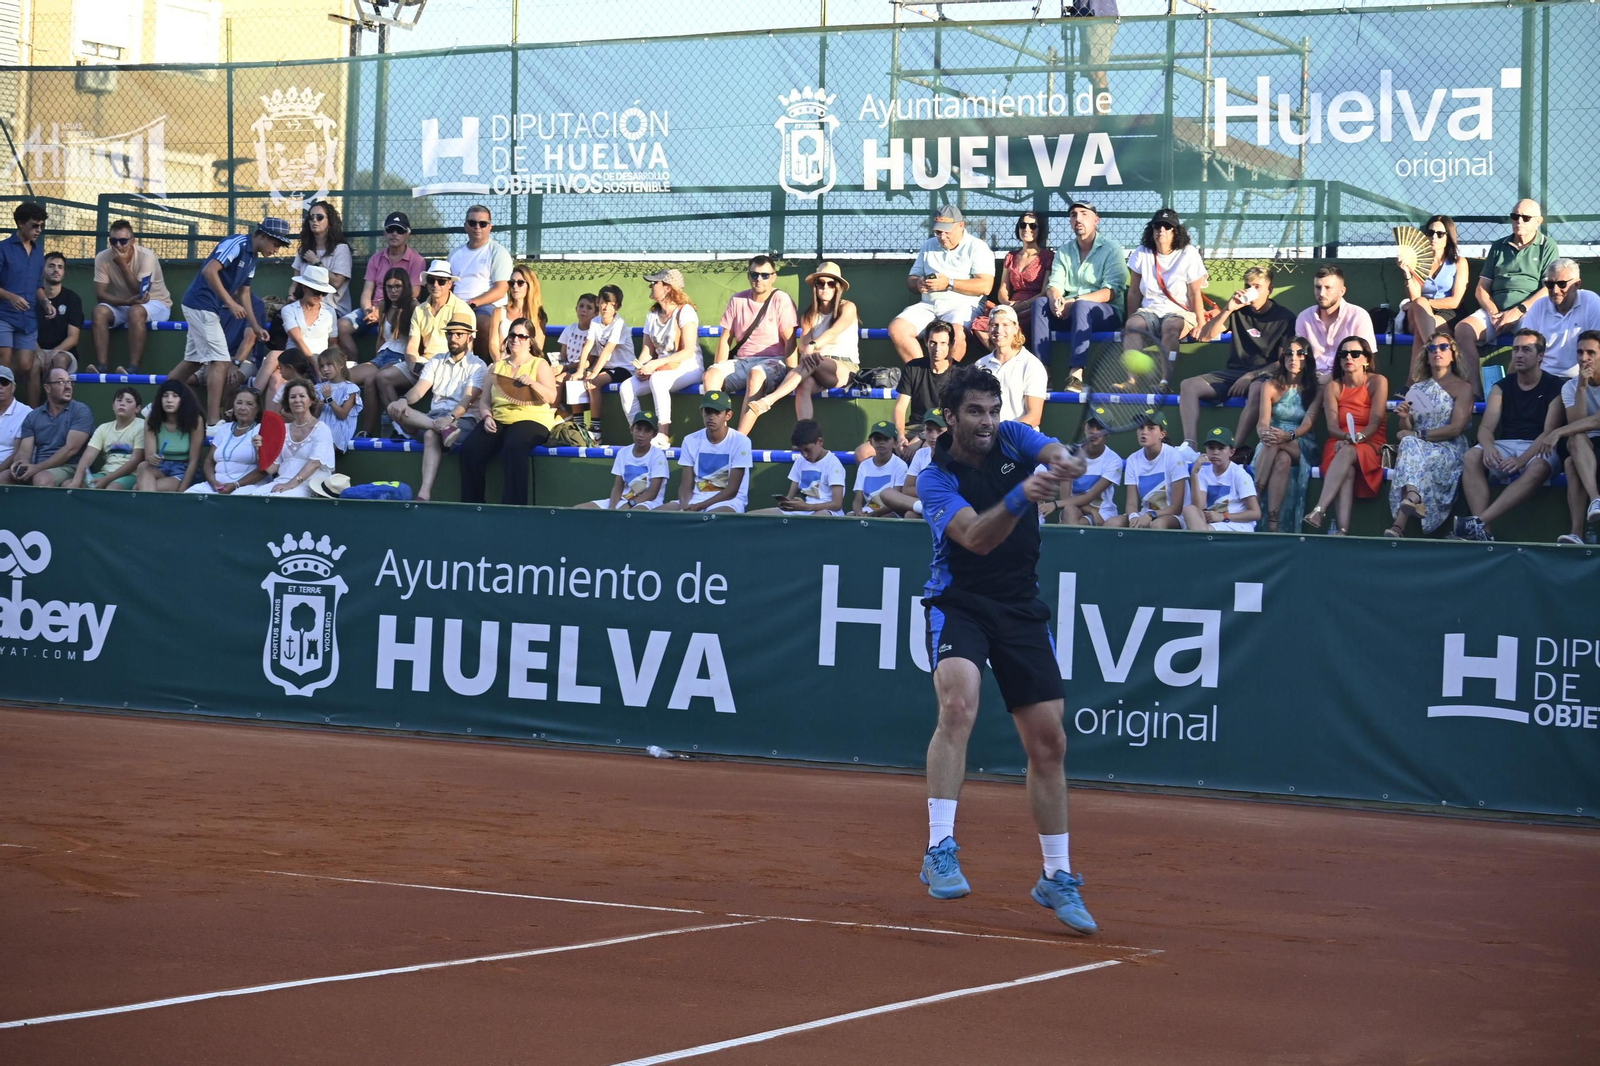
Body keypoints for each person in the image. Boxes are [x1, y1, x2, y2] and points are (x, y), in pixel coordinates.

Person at [913, 365, 1096, 934]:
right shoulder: (934, 478)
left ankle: (1056, 875)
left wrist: (1066, 461)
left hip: (1019, 605)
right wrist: (1022, 496)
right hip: (959, 602)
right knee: (958, 704)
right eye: (975, 411)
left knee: (1049, 742)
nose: (987, 421)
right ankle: (939, 848)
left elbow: (1055, 453)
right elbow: (975, 538)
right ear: (950, 417)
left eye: (993, 410)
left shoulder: (1014, 436)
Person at [171, 218, 290, 427]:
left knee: (194, 360)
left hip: (206, 307)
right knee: (221, 361)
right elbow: (209, 271)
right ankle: (213, 421)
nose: (276, 250)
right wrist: (230, 303)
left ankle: (158, 401)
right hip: (201, 304)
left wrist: (255, 326)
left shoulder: (253, 258)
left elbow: (244, 293)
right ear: (262, 236)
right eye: (276, 244)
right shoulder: (236, 243)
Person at [1452, 329, 1566, 541]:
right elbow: (1486, 428)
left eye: (1526, 350)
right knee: (1471, 456)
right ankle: (1485, 532)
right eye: (1516, 349)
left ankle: (1479, 521)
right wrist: (1488, 448)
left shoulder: (1556, 386)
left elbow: (1548, 431)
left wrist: (1521, 460)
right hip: (1505, 443)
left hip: (1540, 445)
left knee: (1538, 467)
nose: (1519, 354)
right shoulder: (1501, 387)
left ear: (1540, 356)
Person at [1184, 264, 1296, 459]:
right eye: (1247, 286)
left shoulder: (1285, 318)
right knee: (1188, 385)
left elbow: (1282, 362)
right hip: (1234, 373)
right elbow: (1205, 336)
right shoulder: (1238, 311)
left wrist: (1250, 376)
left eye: (1257, 286)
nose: (1251, 290)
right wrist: (1227, 309)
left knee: (1258, 389)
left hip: (1265, 375)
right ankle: (1190, 447)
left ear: (1269, 290)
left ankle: (1233, 449)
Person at [1456, 199, 1559, 392]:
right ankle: (1476, 393)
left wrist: (1518, 311)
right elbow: (1481, 288)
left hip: (1528, 312)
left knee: (1528, 342)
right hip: (1495, 312)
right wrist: (1494, 312)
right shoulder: (1498, 246)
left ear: (1539, 221)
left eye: (1526, 217)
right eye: (1515, 216)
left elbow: (1547, 288)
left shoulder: (1548, 246)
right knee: (1463, 330)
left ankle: (1509, 394)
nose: (1519, 221)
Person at [387, 311, 487, 503]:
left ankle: (424, 494)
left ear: (469, 337)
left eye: (459, 334)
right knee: (395, 407)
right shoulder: (436, 360)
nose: (453, 338)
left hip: (462, 420)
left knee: (430, 435)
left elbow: (466, 401)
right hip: (433, 418)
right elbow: (419, 390)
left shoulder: (478, 366)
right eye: (450, 334)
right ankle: (441, 429)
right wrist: (404, 400)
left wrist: (450, 418)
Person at [459, 316, 558, 507]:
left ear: (530, 341)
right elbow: (485, 402)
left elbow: (551, 396)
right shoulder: (497, 367)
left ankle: (514, 508)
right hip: (499, 418)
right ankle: (473, 506)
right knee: (470, 449)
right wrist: (487, 417)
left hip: (532, 419)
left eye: (521, 336)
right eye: (512, 335)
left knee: (513, 446)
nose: (515, 339)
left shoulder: (539, 364)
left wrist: (533, 383)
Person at [747, 261, 859, 428]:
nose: (825, 287)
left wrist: (812, 346)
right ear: (815, 287)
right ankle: (805, 432)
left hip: (844, 368)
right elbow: (804, 345)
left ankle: (769, 400)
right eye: (820, 283)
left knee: (814, 360)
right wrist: (808, 349)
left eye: (830, 284)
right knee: (803, 385)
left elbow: (833, 332)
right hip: (815, 366)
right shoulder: (808, 315)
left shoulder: (848, 307)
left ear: (837, 288)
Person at [1385, 330, 1473, 538]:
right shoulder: (1418, 388)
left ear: (1453, 354)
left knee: (1410, 444)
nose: (1437, 352)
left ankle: (1399, 523)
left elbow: (1456, 428)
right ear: (1426, 356)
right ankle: (1412, 498)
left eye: (1443, 347)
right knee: (1409, 444)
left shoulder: (1463, 388)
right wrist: (1405, 417)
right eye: (1432, 348)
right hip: (1419, 445)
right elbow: (1406, 426)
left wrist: (1417, 434)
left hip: (1449, 446)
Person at [888, 205, 994, 366]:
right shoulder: (929, 245)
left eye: (947, 231)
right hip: (928, 305)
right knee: (897, 328)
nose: (942, 236)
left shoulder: (977, 246)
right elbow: (911, 280)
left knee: (956, 335)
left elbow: (985, 286)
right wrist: (918, 283)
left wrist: (949, 283)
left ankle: (945, 379)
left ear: (961, 225)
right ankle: (921, 375)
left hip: (963, 305)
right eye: (938, 232)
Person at [704, 254, 798, 434]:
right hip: (742, 361)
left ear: (774, 277)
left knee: (755, 374)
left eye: (765, 275)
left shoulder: (781, 299)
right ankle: (719, 434)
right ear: (748, 276)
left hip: (773, 361)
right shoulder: (737, 300)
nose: (759, 279)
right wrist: (719, 367)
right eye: (754, 275)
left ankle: (739, 439)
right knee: (711, 375)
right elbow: (725, 339)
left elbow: (790, 340)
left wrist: (791, 374)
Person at [1306, 338, 1388, 535]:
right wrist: (1346, 437)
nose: (1348, 358)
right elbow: (1332, 426)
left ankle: (1319, 509)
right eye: (1343, 354)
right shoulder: (1333, 387)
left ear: (1366, 360)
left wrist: (1356, 438)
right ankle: (1343, 530)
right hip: (1339, 440)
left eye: (1355, 354)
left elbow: (1375, 423)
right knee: (1347, 470)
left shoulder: (1378, 381)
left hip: (1371, 440)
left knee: (1348, 450)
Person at [1034, 200, 1126, 371]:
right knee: (1040, 304)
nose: (1078, 219)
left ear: (1096, 220)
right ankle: (1042, 371)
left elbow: (1110, 292)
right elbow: (1054, 284)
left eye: (1084, 214)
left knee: (1082, 306)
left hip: (1105, 313)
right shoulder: (1064, 250)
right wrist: (1055, 299)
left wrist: (1075, 301)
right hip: (1069, 311)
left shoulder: (1112, 249)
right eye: (1073, 215)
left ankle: (1076, 372)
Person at [620, 269, 701, 447]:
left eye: (654, 283)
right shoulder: (652, 315)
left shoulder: (685, 311)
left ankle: (662, 435)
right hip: (660, 368)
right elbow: (647, 351)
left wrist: (656, 364)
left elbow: (688, 351)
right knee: (626, 387)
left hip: (688, 367)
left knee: (658, 379)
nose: (650, 286)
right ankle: (639, 433)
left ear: (667, 288)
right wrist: (640, 367)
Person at [1249, 338, 1319, 532]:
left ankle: (1255, 496)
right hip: (1272, 438)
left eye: (1300, 354)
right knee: (1282, 460)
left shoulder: (1316, 388)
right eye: (1289, 353)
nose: (1293, 358)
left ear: (1307, 359)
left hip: (1300, 440)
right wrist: (1264, 433)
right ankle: (1273, 520)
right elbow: (1263, 421)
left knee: (1276, 444)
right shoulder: (1270, 385)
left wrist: (1288, 435)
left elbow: (1308, 423)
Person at [338, 210, 424, 361]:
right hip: (373, 309)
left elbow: (414, 292)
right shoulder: (376, 259)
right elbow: (367, 291)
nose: (394, 234)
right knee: (341, 325)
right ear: (385, 233)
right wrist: (369, 311)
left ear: (408, 234)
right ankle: (355, 364)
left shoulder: (417, 260)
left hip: (399, 309)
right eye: (390, 229)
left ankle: (392, 365)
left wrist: (383, 311)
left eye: (400, 230)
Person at [88, 219, 172, 374]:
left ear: (132, 241)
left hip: (156, 303)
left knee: (136, 311)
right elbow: (100, 295)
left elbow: (139, 292)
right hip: (127, 303)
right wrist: (125, 302)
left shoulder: (147, 256)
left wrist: (122, 265)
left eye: (123, 241)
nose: (118, 245)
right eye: (114, 241)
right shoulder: (102, 257)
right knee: (99, 312)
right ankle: (102, 366)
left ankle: (133, 368)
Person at [1125, 207, 1208, 357]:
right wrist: (1129, 320)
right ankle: (1132, 373)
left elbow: (1194, 292)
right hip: (1149, 311)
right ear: (1151, 229)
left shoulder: (1188, 253)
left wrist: (1201, 324)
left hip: (1180, 313)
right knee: (1133, 326)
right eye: (1157, 226)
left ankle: (1166, 372)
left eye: (1167, 226)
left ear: (1175, 231)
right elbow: (1134, 292)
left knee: (1170, 327)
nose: (1161, 230)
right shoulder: (1141, 252)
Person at [254, 263, 338, 404]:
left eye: (323, 293)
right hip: (294, 358)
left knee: (275, 364)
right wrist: (315, 364)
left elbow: (334, 343)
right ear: (304, 288)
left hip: (319, 359)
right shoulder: (289, 310)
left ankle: (253, 396)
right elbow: (298, 340)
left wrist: (332, 365)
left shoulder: (330, 312)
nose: (319, 296)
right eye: (316, 291)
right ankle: (254, 402)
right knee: (275, 376)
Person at [1399, 215, 1468, 383]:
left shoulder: (1459, 262)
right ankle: (1442, 372)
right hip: (1418, 312)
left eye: (1440, 234)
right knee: (1420, 305)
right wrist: (1407, 273)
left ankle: (1413, 382)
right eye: (1430, 233)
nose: (1434, 237)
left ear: (1448, 237)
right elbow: (1415, 297)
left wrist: (1425, 304)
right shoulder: (1417, 262)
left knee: (1420, 329)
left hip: (1447, 312)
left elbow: (1455, 301)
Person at [971, 211, 1053, 350]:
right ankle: (1003, 355)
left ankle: (1009, 356)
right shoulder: (1011, 256)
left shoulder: (1047, 256)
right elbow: (1003, 289)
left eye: (1033, 226)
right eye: (1023, 225)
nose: (1027, 229)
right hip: (1011, 307)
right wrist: (1007, 303)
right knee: (979, 324)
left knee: (1011, 327)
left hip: (1032, 308)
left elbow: (1045, 291)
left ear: (1040, 229)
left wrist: (1024, 305)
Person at [348, 268, 415, 436]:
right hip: (382, 356)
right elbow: (381, 337)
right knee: (344, 377)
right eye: (389, 287)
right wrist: (376, 359)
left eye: (397, 286)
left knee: (371, 380)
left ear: (405, 286)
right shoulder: (384, 305)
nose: (393, 291)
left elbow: (415, 342)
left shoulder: (413, 306)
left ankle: (372, 430)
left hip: (401, 357)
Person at [661, 390, 752, 514]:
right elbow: (686, 486)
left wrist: (700, 506)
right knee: (654, 515)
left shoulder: (741, 441)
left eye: (717, 413)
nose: (711, 417)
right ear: (702, 413)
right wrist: (684, 508)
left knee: (713, 518)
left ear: (728, 415)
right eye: (708, 412)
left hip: (729, 501)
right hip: (696, 500)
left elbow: (732, 490)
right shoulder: (690, 440)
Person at [241, 380, 334, 497]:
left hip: (310, 485)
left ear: (311, 401)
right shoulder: (283, 429)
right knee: (251, 496)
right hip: (282, 482)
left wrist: (290, 484)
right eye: (292, 397)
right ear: (288, 403)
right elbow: (271, 469)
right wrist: (259, 449)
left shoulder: (321, 429)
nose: (297, 400)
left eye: (302, 396)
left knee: (275, 498)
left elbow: (315, 463)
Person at [0, 365, 91, 486]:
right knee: (4, 477)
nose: (68, 386)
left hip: (70, 467)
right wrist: (22, 465)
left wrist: (37, 468)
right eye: (61, 382)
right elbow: (24, 451)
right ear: (47, 387)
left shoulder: (81, 411)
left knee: (41, 479)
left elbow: (71, 449)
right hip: (39, 467)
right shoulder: (33, 416)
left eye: (69, 382)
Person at [448, 205, 513, 358]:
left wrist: (472, 304)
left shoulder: (498, 252)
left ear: (490, 227)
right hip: (455, 304)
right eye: (472, 223)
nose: (477, 227)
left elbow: (501, 289)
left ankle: (482, 366)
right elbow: (448, 285)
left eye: (483, 223)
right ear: (465, 226)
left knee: (483, 323)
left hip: (486, 307)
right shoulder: (455, 254)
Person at [1103, 413, 1188, 529]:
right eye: (1141, 427)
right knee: (1112, 523)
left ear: (1162, 434)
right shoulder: (1133, 459)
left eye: (1151, 428)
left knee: (1157, 524)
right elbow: (1131, 504)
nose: (1144, 432)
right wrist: (1133, 517)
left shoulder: (1174, 457)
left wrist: (1151, 515)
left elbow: (1176, 508)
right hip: (1145, 515)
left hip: (1175, 516)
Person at [1519, 259, 1600, 379]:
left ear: (1576, 285)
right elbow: (1522, 346)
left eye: (1562, 284)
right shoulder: (1539, 306)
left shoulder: (1591, 302)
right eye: (1550, 284)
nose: (1555, 290)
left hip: (1581, 379)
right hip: (1544, 379)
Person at [0, 201, 47, 406]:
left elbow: (38, 285)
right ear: (20, 223)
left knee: (26, 365)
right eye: (34, 225)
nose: (38, 230)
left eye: (41, 226)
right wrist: (11, 297)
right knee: (4, 361)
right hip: (3, 314)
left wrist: (45, 302)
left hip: (28, 318)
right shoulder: (3, 248)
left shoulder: (38, 252)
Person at [1295, 265, 1377, 380]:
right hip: (1311, 380)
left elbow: (1366, 359)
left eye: (1328, 288)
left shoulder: (1358, 316)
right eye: (1318, 287)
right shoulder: (1304, 317)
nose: (1321, 293)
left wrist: (1332, 377)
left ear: (1342, 291)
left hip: (1346, 379)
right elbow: (1299, 356)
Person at [1556, 331, 1600, 544]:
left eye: (1591, 352)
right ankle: (1595, 501)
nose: (1584, 358)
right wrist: (1582, 388)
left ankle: (1578, 531)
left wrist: (1557, 432)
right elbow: (1576, 424)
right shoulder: (1570, 386)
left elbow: (1597, 421)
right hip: (1587, 444)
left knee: (1570, 463)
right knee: (1574, 440)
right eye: (1580, 352)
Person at [577, 411, 670, 510]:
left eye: (647, 431)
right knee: (579, 509)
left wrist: (628, 505)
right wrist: (612, 508)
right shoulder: (623, 452)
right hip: (623, 501)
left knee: (634, 513)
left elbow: (652, 493)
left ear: (654, 434)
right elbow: (618, 487)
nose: (641, 434)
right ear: (631, 429)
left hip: (648, 503)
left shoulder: (658, 456)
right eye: (638, 429)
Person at [972, 306, 1047, 427]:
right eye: (994, 325)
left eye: (1005, 325)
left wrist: (1004, 433)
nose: (999, 330)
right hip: (985, 435)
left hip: (1018, 437)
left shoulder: (1032, 365)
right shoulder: (980, 365)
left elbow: (1034, 416)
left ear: (1016, 328)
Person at [578, 284, 635, 441]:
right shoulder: (595, 322)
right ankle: (578, 424)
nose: (606, 307)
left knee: (594, 381)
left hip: (624, 369)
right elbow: (588, 345)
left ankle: (596, 429)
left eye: (611, 304)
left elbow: (608, 350)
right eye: (603, 302)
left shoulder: (619, 324)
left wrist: (593, 372)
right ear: (598, 302)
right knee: (576, 378)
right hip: (607, 369)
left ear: (617, 307)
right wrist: (580, 370)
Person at [755, 419, 845, 516]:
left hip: (828, 512)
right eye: (800, 451)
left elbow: (837, 504)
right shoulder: (800, 461)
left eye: (807, 450)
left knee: (820, 516)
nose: (804, 455)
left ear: (820, 441)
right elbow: (790, 496)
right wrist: (786, 503)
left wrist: (806, 507)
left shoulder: (833, 464)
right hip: (803, 511)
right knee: (754, 515)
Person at [187, 388, 268, 496]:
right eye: (239, 403)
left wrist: (236, 485)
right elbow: (209, 461)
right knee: (190, 495)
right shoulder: (224, 428)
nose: (242, 408)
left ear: (257, 409)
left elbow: (264, 470)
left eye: (249, 404)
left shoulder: (262, 430)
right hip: (217, 486)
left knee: (236, 499)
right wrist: (213, 482)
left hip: (247, 486)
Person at [893, 322, 956, 459]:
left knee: (928, 449)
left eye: (943, 343)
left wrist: (922, 437)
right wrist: (900, 436)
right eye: (933, 343)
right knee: (864, 452)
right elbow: (900, 407)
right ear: (927, 342)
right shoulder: (913, 367)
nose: (937, 348)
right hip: (914, 427)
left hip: (942, 429)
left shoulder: (959, 373)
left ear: (951, 344)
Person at [406, 260, 473, 383]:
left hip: (450, 364)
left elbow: (466, 349)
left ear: (450, 284)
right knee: (384, 378)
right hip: (423, 362)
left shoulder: (462, 309)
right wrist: (413, 366)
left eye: (441, 281)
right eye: (431, 280)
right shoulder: (419, 309)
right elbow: (412, 346)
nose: (435, 285)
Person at [1050, 410, 1121, 526]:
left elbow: (1089, 497)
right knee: (1069, 510)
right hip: (1073, 508)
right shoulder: (1070, 454)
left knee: (1073, 521)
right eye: (1091, 426)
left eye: (1100, 427)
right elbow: (1065, 498)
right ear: (1085, 428)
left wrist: (1055, 504)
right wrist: (1091, 511)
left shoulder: (1114, 460)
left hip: (1102, 514)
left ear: (1108, 432)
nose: (1094, 431)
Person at [1182, 428, 1261, 532]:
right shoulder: (1202, 472)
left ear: (1231, 452)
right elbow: (1198, 507)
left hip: (1236, 524)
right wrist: (1194, 473)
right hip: (1211, 523)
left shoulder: (1240, 474)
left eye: (1221, 448)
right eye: (1211, 448)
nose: (1215, 452)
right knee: (1189, 510)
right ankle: (1204, 538)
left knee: (1202, 529)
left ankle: (1203, 539)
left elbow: (1255, 513)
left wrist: (1224, 516)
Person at [133, 379, 205, 493]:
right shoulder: (152, 419)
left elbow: (194, 460)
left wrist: (182, 490)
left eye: (175, 396)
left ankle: (148, 504)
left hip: (184, 470)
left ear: (183, 400)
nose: (169, 400)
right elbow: (149, 456)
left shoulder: (195, 420)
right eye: (165, 396)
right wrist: (152, 458)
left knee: (138, 489)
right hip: (161, 467)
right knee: (143, 466)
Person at [67, 385, 144, 490]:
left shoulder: (142, 426)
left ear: (137, 408)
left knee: (112, 488)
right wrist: (76, 481)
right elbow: (87, 457)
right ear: (113, 406)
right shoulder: (103, 428)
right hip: (105, 473)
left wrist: (106, 480)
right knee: (68, 484)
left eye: (128, 401)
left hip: (131, 475)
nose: (122, 403)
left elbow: (135, 461)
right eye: (119, 400)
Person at [290, 201, 352, 319]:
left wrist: (316, 262)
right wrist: (290, 297)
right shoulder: (304, 249)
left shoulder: (341, 249)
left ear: (330, 222)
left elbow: (337, 283)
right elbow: (295, 282)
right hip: (304, 305)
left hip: (332, 308)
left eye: (319, 217)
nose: (314, 220)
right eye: (311, 217)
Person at [879, 411, 947, 518]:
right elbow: (907, 489)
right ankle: (926, 508)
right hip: (924, 501)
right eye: (929, 430)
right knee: (886, 493)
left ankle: (929, 508)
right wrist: (930, 493)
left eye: (939, 431)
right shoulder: (921, 454)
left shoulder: (958, 455)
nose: (933, 436)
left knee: (910, 514)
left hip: (948, 503)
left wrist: (928, 491)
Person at [33, 252, 82, 376]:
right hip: (35, 349)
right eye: (51, 266)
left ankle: (57, 389)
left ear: (64, 272)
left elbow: (73, 337)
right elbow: (26, 332)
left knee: (59, 361)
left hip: (63, 351)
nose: (56, 270)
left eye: (60, 267)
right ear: (42, 270)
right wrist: (39, 352)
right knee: (33, 364)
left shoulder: (72, 298)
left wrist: (54, 352)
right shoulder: (32, 297)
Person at [554, 292, 600, 420]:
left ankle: (557, 410)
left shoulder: (594, 333)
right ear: (576, 309)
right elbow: (563, 356)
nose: (584, 310)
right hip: (567, 368)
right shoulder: (569, 329)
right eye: (581, 306)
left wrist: (566, 368)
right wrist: (557, 366)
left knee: (564, 378)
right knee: (550, 375)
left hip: (584, 370)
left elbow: (588, 362)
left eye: (589, 308)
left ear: (596, 313)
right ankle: (557, 409)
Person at [852, 421, 909, 517]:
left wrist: (873, 515)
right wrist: (858, 513)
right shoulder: (864, 465)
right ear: (871, 442)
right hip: (870, 510)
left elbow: (896, 502)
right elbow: (857, 500)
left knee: (886, 518)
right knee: (850, 516)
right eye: (877, 438)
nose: (881, 442)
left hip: (892, 512)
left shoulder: (900, 465)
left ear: (895, 443)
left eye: (886, 439)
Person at [314, 351, 362, 451]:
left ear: (341, 365)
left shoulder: (350, 388)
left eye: (329, 365)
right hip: (320, 428)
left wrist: (329, 399)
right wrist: (318, 407)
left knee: (323, 447)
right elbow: (315, 416)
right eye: (322, 366)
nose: (325, 369)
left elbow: (342, 415)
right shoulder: (319, 387)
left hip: (339, 430)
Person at [497, 263, 547, 352]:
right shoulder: (498, 313)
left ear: (530, 285)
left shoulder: (539, 316)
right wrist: (501, 360)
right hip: (502, 359)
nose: (515, 286)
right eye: (512, 283)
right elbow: (494, 346)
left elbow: (537, 349)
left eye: (520, 283)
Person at [0, 365, 32, 472]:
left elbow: (17, 452)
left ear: (13, 387)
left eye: (4, 382)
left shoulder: (26, 413)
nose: (0, 386)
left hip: (6, 468)